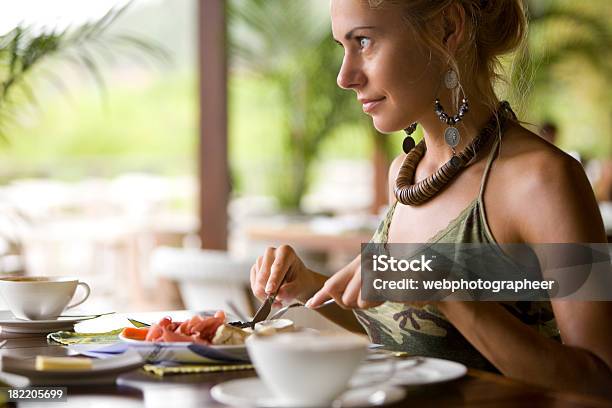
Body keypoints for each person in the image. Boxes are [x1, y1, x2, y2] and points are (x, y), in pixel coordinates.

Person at [249, 0, 612, 396]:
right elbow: (406, 325)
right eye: (343, 47)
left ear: (447, 28)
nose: (345, 76)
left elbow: (599, 380)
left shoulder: (545, 181)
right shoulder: (405, 173)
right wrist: (309, 286)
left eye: (364, 41)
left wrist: (445, 287)